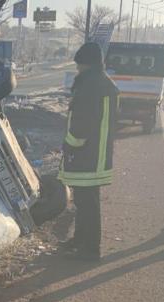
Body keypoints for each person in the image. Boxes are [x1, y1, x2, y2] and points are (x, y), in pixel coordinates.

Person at [58, 42, 119, 261]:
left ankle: (90, 249)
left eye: (79, 64)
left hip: (88, 154)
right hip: (95, 152)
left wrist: (70, 144)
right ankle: (81, 239)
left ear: (87, 63)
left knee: (88, 203)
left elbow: (83, 122)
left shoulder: (91, 85)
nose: (77, 69)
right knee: (84, 202)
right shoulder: (101, 83)